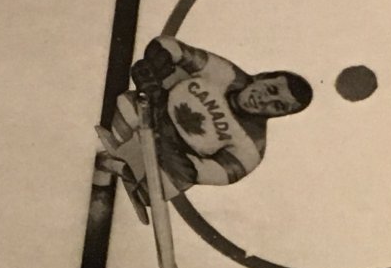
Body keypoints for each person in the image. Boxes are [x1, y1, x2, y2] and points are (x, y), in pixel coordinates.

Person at [97, 36, 314, 200]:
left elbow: (204, 172)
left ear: (280, 115)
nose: (264, 100)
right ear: (262, 77)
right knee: (126, 108)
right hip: (151, 111)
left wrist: (166, 143)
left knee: (168, 185)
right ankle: (109, 157)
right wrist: (158, 62)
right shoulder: (225, 73)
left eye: (277, 106)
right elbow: (172, 47)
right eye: (271, 89)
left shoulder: (251, 148)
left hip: (172, 152)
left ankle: (119, 168)